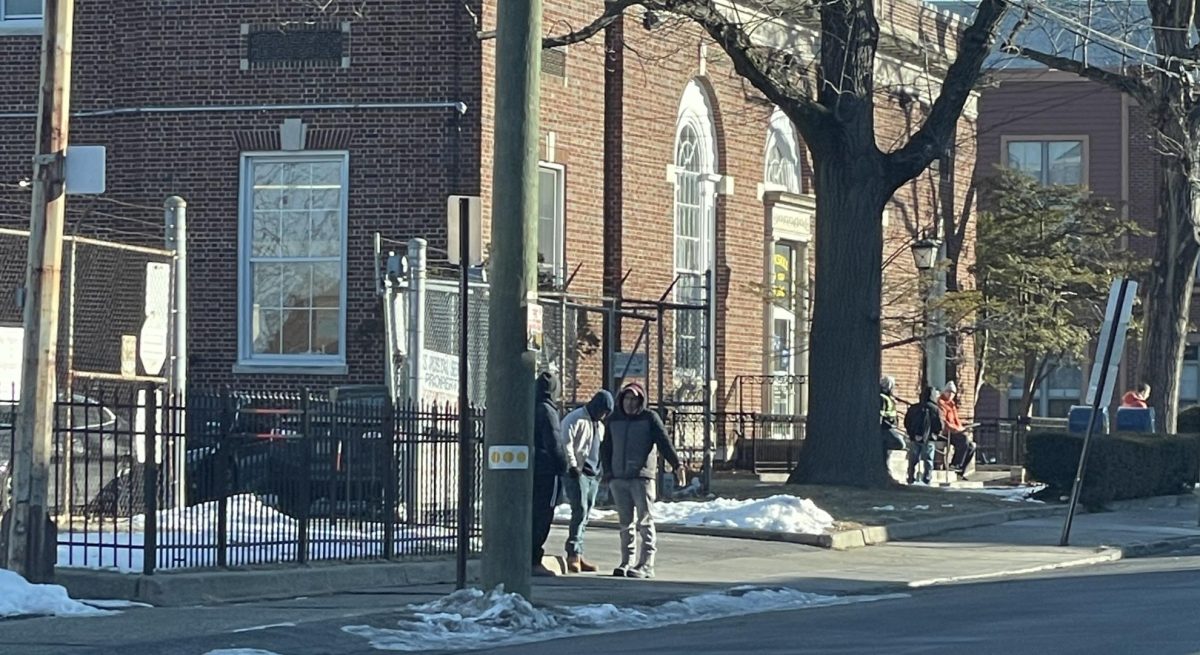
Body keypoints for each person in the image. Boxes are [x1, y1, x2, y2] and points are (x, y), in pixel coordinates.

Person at [600, 382, 685, 580]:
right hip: (619, 478)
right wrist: (608, 473)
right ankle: (626, 561)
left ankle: (646, 564)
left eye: (635, 399)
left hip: (641, 478)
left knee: (645, 521)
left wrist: (677, 465)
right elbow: (606, 448)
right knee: (625, 523)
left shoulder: (649, 418)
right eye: (627, 398)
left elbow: (664, 442)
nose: (630, 403)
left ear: (641, 400)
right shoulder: (613, 420)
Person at [559, 389, 614, 573]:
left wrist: (602, 471)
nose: (603, 415)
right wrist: (573, 465)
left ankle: (580, 553)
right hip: (577, 472)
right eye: (603, 410)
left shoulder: (600, 425)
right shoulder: (575, 419)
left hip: (593, 473)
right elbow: (566, 442)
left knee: (587, 513)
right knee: (579, 510)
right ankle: (572, 553)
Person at [531, 370, 567, 577]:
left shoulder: (530, 407)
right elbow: (554, 442)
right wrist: (562, 466)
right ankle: (535, 558)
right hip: (547, 470)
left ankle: (530, 555)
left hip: (532, 468)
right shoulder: (548, 411)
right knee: (543, 514)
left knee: (532, 513)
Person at [903, 386, 943, 485]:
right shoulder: (935, 409)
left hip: (915, 437)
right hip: (929, 438)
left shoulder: (914, 408)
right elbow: (940, 425)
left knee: (913, 459)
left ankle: (910, 477)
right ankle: (927, 478)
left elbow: (906, 421)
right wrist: (935, 434)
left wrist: (911, 433)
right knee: (928, 459)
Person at [938, 381, 975, 480]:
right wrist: (957, 429)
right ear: (944, 392)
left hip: (954, 431)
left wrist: (962, 428)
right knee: (963, 440)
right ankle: (955, 464)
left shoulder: (952, 405)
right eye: (948, 392)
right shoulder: (941, 403)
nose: (950, 394)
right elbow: (944, 422)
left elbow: (956, 420)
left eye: (953, 393)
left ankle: (961, 470)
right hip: (945, 432)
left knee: (971, 446)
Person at [880, 376, 908, 453]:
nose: (893, 389)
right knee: (901, 443)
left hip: (890, 426)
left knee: (887, 455)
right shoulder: (882, 398)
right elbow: (881, 414)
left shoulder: (888, 397)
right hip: (886, 427)